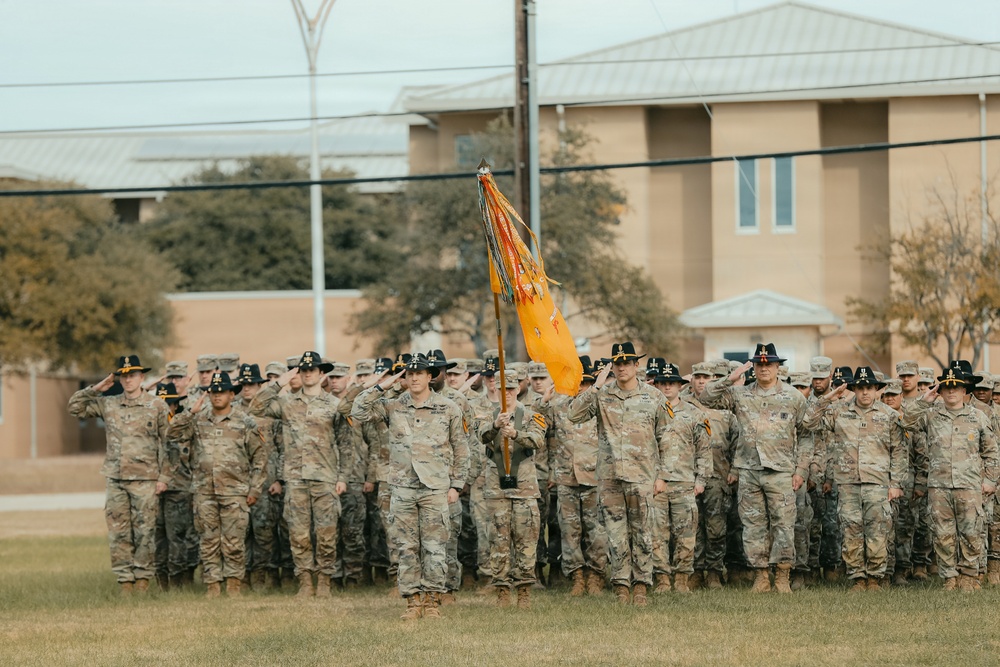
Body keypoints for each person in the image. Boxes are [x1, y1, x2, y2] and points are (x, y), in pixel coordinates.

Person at [352, 353, 469, 620]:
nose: (414, 377)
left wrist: (456, 485)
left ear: (431, 376)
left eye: (419, 373)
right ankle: (412, 601)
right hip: (402, 488)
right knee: (405, 547)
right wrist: (385, 383)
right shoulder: (393, 406)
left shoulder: (448, 408)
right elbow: (357, 410)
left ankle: (432, 601)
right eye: (409, 373)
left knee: (435, 547)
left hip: (435, 488)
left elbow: (461, 450)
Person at [700, 343, 810, 594]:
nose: (763, 369)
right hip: (749, 470)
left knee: (783, 525)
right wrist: (731, 378)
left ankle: (782, 576)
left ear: (777, 367)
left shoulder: (793, 396)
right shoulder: (740, 395)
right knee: (753, 526)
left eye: (768, 364)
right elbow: (706, 397)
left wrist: (801, 469)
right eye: (759, 364)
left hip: (781, 471)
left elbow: (806, 435)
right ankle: (760, 576)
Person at [569, 342, 672, 606]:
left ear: (637, 365)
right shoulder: (602, 394)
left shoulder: (654, 397)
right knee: (615, 535)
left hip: (642, 475)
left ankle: (641, 585)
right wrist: (597, 385)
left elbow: (666, 437)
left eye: (627, 362)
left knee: (643, 533)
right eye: (617, 363)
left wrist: (663, 476)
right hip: (611, 476)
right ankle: (622, 586)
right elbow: (574, 414)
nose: (622, 367)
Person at [249, 351, 352, 599]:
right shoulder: (286, 404)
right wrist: (279, 382)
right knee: (298, 533)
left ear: (321, 373)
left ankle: (325, 581)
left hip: (325, 477)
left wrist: (343, 476)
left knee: (327, 533)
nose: (307, 374)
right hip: (295, 479)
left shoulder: (334, 405)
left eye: (312, 370)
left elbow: (346, 443)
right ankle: (305, 581)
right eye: (303, 370)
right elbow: (256, 406)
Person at [68, 355, 170, 595]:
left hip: (146, 479)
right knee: (118, 533)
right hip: (116, 478)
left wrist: (164, 477)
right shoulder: (109, 403)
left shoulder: (157, 406)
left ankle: (143, 580)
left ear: (141, 377)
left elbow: (169, 445)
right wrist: (96, 388)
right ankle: (125, 582)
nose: (128, 380)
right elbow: (74, 408)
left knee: (145, 533)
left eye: (132, 375)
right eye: (123, 376)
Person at [804, 367, 907, 591]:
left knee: (878, 531)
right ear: (854, 390)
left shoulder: (889, 416)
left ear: (877, 390)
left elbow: (899, 451)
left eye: (869, 388)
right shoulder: (839, 411)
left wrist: (896, 483)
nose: (865, 393)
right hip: (848, 483)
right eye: (860, 388)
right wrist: (828, 398)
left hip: (878, 483)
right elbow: (809, 422)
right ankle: (857, 577)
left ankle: (875, 578)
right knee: (850, 530)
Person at [167, 372, 266, 598]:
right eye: (213, 392)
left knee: (233, 541)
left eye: (222, 391)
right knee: (208, 540)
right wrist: (189, 413)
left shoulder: (245, 422)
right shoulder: (198, 420)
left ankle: (233, 585)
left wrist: (255, 489)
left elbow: (260, 458)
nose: (217, 396)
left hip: (235, 493)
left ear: (232, 394)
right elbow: (171, 433)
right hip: (204, 492)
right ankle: (212, 585)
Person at [904, 367, 999, 591]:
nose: (951, 392)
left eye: (956, 387)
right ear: (941, 391)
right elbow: (906, 422)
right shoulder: (931, 415)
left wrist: (990, 481)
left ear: (964, 389)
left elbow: (992, 452)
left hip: (969, 485)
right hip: (939, 486)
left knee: (971, 532)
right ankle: (950, 577)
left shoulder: (978, 417)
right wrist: (924, 400)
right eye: (946, 387)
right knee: (942, 534)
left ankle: (969, 576)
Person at [479, 369, 547, 608]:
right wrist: (496, 426)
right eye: (502, 389)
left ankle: (525, 590)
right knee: (498, 540)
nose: (506, 393)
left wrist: (517, 434)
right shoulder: (486, 414)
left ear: (517, 388)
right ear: (495, 389)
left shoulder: (531, 415)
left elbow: (538, 440)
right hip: (496, 487)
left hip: (524, 487)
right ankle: (502, 590)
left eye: (510, 388)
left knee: (527, 538)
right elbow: (481, 435)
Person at [544, 358, 607, 596]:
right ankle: (577, 577)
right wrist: (543, 401)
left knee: (595, 530)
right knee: (570, 531)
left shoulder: (599, 405)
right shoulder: (559, 405)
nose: (580, 388)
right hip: (566, 477)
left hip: (593, 476)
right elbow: (543, 432)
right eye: (576, 383)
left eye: (585, 383)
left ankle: (595, 577)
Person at [650, 364, 710, 594]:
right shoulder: (651, 412)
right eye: (663, 382)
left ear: (679, 386)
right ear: (656, 385)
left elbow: (704, 449)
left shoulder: (695, 414)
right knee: (657, 534)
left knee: (685, 534)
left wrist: (701, 480)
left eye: (671, 383)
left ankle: (682, 579)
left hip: (685, 483)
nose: (667, 386)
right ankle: (663, 580)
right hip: (657, 484)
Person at [688, 362, 739, 589]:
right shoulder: (681, 405)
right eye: (697, 377)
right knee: (692, 527)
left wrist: (735, 470)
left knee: (716, 528)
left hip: (718, 477)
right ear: (691, 379)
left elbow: (738, 443)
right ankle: (695, 571)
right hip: (688, 476)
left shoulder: (725, 411)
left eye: (706, 377)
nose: (701, 381)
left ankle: (714, 572)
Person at [153, 381, 199, 592]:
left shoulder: (185, 424)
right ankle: (162, 580)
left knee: (178, 537)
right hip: (153, 488)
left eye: (167, 404)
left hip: (179, 488)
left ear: (174, 405)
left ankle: (180, 580)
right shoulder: (151, 425)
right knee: (158, 537)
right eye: (159, 404)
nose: (163, 408)